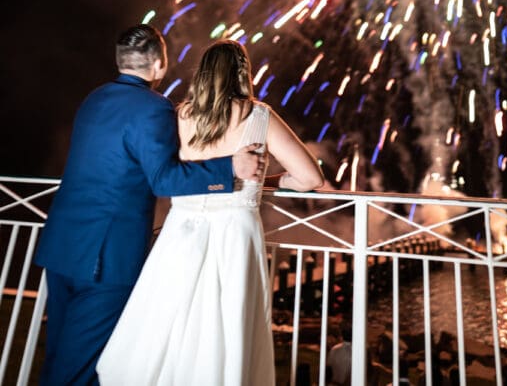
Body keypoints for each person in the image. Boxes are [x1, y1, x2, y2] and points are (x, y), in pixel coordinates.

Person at [34, 24, 264, 385]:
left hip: (62, 247)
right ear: (158, 64)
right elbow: (164, 179)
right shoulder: (154, 108)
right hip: (105, 258)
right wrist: (229, 166)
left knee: (59, 355)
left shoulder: (94, 98)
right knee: (82, 369)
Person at [97, 38, 323, 385]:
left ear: (202, 74)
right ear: (243, 74)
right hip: (234, 237)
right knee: (224, 328)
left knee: (169, 328)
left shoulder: (180, 115)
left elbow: (168, 172)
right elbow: (310, 179)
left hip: (180, 232)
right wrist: (262, 181)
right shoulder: (258, 116)